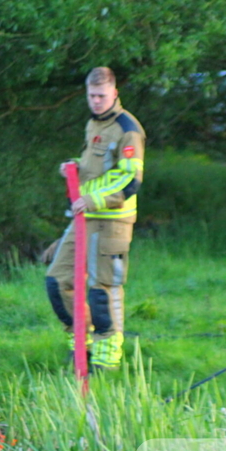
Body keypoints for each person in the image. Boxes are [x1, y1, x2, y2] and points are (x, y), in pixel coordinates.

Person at [45, 66, 146, 371]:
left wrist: (93, 199)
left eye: (102, 95)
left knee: (103, 290)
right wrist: (73, 166)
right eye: (92, 96)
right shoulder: (94, 123)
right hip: (83, 218)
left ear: (115, 92)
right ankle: (81, 344)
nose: (97, 101)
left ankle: (106, 360)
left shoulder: (128, 128)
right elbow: (96, 166)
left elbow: (131, 180)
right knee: (57, 280)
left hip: (111, 221)